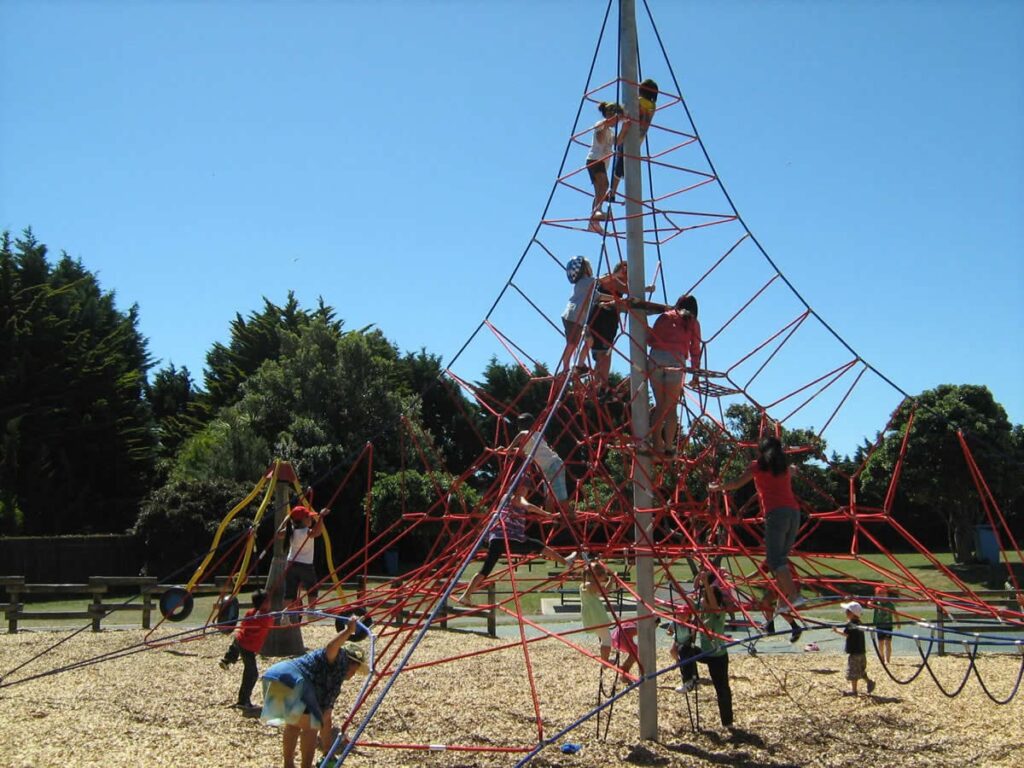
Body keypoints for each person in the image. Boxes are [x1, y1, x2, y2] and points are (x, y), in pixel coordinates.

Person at [260, 617, 369, 768]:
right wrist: (348, 631)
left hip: (277, 675)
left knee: (293, 725)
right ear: (353, 663)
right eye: (356, 669)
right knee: (311, 728)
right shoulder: (339, 661)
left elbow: (326, 717)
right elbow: (331, 646)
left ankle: (288, 765)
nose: (354, 674)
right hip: (297, 680)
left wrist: (327, 750)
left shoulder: (326, 670)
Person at [709, 436, 803, 607]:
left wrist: (717, 487)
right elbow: (793, 470)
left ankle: (794, 597)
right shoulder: (783, 467)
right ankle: (783, 603)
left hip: (776, 514)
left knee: (776, 561)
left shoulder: (758, 467)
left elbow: (736, 483)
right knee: (781, 558)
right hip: (794, 513)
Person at [454, 487, 576, 604]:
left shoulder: (504, 498)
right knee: (538, 545)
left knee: (485, 570)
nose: (526, 491)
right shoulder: (517, 498)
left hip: (496, 539)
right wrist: (548, 514)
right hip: (511, 539)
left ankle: (466, 595)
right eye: (526, 488)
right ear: (521, 488)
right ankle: (566, 562)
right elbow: (528, 506)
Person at [630, 293, 702, 455]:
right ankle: (669, 447)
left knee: (660, 406)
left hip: (655, 359)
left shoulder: (665, 317)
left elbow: (651, 339)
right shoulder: (692, 322)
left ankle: (657, 445)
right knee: (671, 408)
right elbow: (695, 349)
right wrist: (695, 374)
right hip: (676, 362)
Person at [675, 571, 734, 727]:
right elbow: (689, 598)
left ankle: (727, 722)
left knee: (721, 688)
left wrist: (707, 584)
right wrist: (674, 582)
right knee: (684, 649)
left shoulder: (718, 613)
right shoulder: (702, 611)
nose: (702, 602)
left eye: (705, 600)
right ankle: (689, 680)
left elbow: (713, 603)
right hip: (706, 652)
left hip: (718, 656)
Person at [219, 590, 275, 714]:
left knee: (236, 644)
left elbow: (244, 623)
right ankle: (243, 701)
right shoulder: (265, 618)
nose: (270, 603)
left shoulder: (250, 612)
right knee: (252, 674)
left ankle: (227, 659)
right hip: (248, 647)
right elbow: (270, 622)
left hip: (240, 640)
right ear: (264, 603)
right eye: (268, 601)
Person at [504, 413, 570, 515]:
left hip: (553, 465)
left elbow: (522, 435)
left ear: (519, 427)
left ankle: (571, 517)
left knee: (560, 498)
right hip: (547, 469)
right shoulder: (534, 438)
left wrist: (508, 448)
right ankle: (550, 518)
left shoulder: (529, 434)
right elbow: (520, 451)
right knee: (549, 498)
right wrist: (505, 450)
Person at [609, 78, 659, 203]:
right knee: (628, 166)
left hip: (628, 135)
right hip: (639, 138)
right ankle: (631, 196)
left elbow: (627, 109)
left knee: (618, 165)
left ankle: (613, 192)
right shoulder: (653, 106)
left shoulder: (636, 101)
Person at [585, 101, 624, 233]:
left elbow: (617, 142)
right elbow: (600, 140)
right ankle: (597, 212)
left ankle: (594, 221)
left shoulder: (611, 132)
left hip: (601, 162)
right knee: (604, 184)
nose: (616, 123)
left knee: (600, 189)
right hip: (595, 159)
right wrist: (612, 121)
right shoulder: (600, 125)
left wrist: (625, 128)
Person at [284, 505, 328, 620]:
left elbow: (278, 533)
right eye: (308, 517)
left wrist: (286, 520)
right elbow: (317, 532)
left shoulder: (290, 531)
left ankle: (285, 615)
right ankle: (311, 611)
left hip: (291, 563)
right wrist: (321, 517)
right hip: (305, 565)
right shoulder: (305, 532)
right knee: (312, 588)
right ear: (302, 520)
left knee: (289, 591)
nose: (311, 519)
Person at [834, 600, 876, 696]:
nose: (845, 613)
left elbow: (846, 634)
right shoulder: (860, 623)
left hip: (854, 652)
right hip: (862, 652)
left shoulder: (850, 625)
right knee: (860, 670)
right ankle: (869, 682)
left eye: (847, 611)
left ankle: (854, 691)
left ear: (851, 613)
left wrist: (836, 631)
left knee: (853, 671)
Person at [579, 558, 615, 662]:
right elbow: (604, 591)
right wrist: (609, 580)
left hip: (593, 615)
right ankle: (605, 661)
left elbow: (604, 591)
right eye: (601, 576)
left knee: (604, 637)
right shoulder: (589, 585)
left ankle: (605, 660)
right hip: (595, 615)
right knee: (607, 639)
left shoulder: (587, 585)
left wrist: (610, 580)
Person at [870, 586, 897, 664]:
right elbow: (869, 605)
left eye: (884, 593)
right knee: (880, 643)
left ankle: (887, 660)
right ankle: (881, 657)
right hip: (879, 626)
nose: (882, 595)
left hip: (888, 626)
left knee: (888, 643)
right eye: (880, 594)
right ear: (877, 595)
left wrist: (898, 622)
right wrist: (871, 600)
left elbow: (895, 613)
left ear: (887, 594)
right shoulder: (876, 603)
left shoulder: (890, 604)